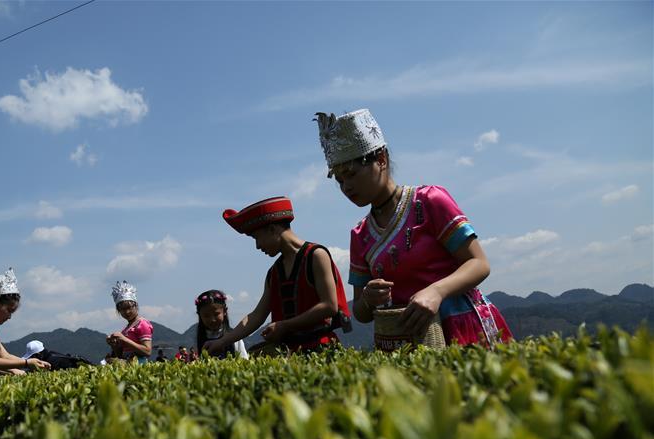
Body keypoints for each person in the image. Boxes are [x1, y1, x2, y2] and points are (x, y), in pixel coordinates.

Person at [314, 109, 513, 346]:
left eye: (351, 174)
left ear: (381, 160)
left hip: (462, 326)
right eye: (339, 181)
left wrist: (437, 292)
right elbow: (361, 313)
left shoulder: (429, 201)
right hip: (407, 339)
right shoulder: (360, 235)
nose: (346, 186)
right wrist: (368, 299)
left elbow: (479, 264)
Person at [204, 196, 351, 356]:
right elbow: (256, 316)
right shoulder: (274, 272)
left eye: (257, 237)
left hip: (322, 350)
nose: (258, 246)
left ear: (273, 229)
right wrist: (223, 341)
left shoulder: (316, 256)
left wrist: (284, 325)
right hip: (290, 354)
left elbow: (329, 306)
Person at [106, 281, 153, 362]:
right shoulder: (127, 328)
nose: (127, 312)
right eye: (122, 309)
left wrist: (124, 339)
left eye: (129, 307)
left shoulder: (142, 324)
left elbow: (147, 351)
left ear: (135, 305)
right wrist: (114, 345)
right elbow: (120, 355)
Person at [195, 290, 249, 359]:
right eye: (206, 316)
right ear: (199, 315)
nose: (212, 319)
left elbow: (244, 361)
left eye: (216, 314)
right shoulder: (201, 337)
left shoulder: (234, 337)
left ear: (225, 311)